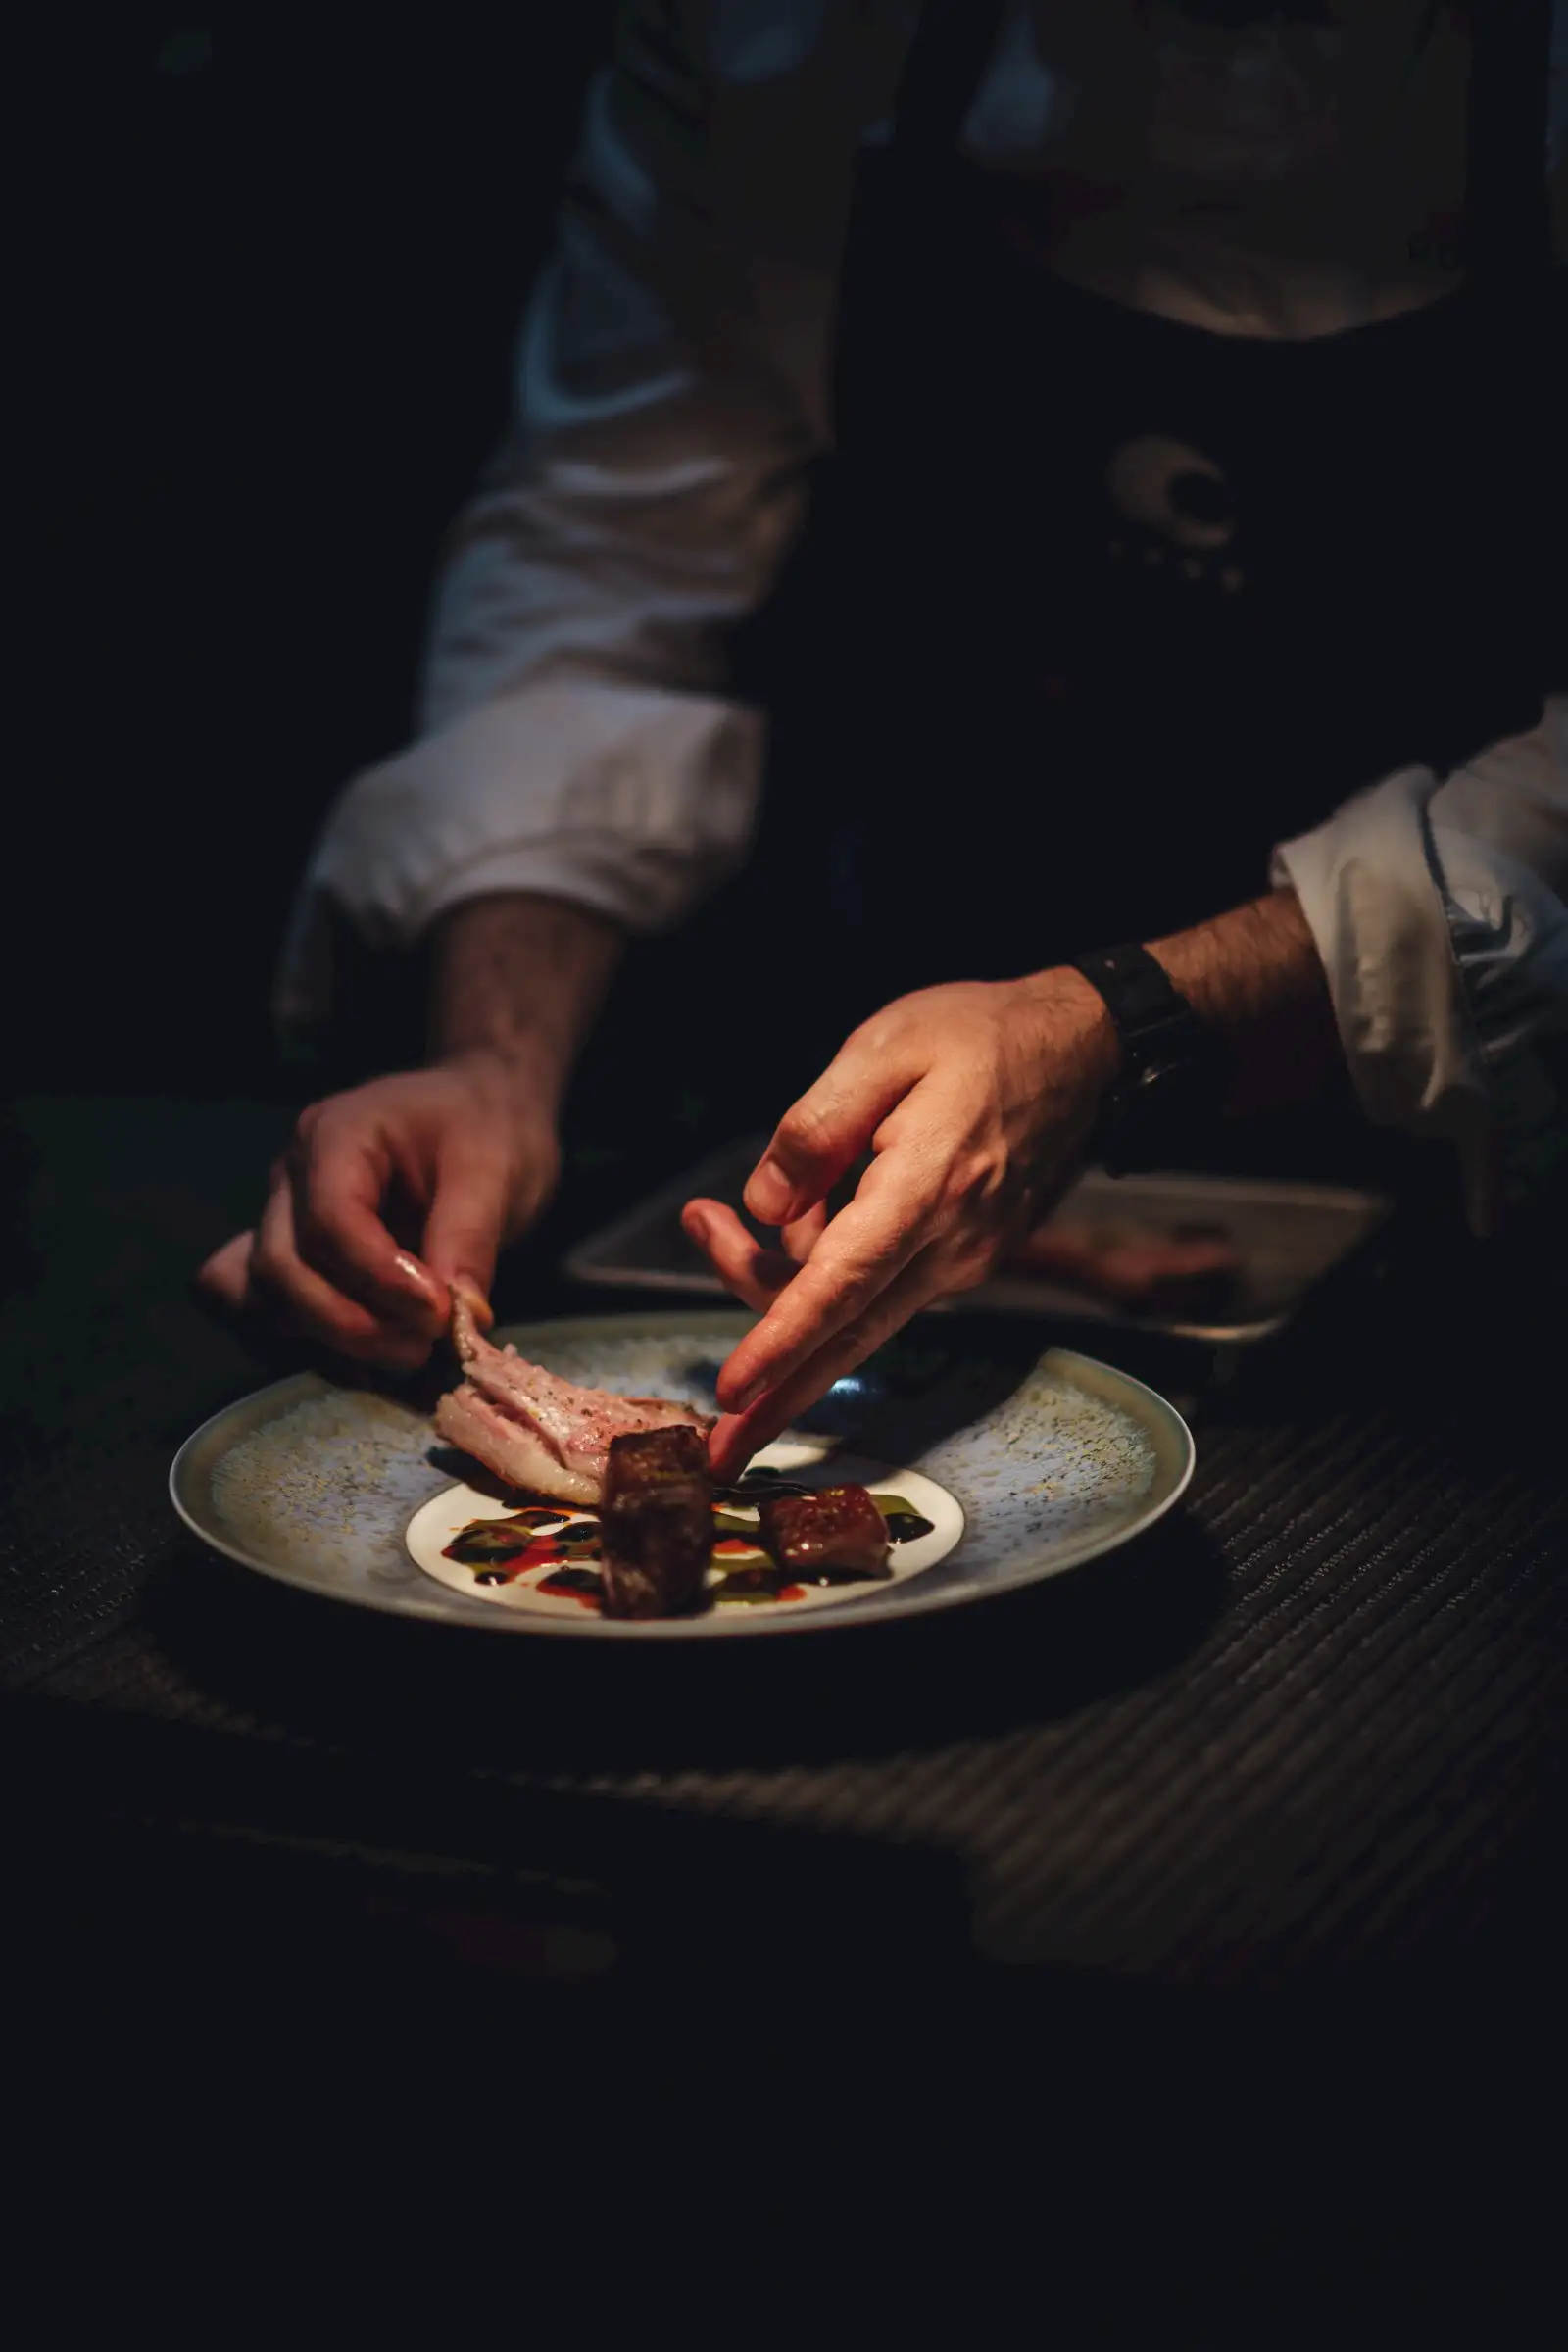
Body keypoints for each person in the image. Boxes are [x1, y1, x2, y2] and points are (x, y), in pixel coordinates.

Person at [202, 1, 1566, 1477]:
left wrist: (1123, 1031)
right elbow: (607, 556)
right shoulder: (783, 35)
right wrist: (496, 1061)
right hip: (882, 1101)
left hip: (1491, 1238)